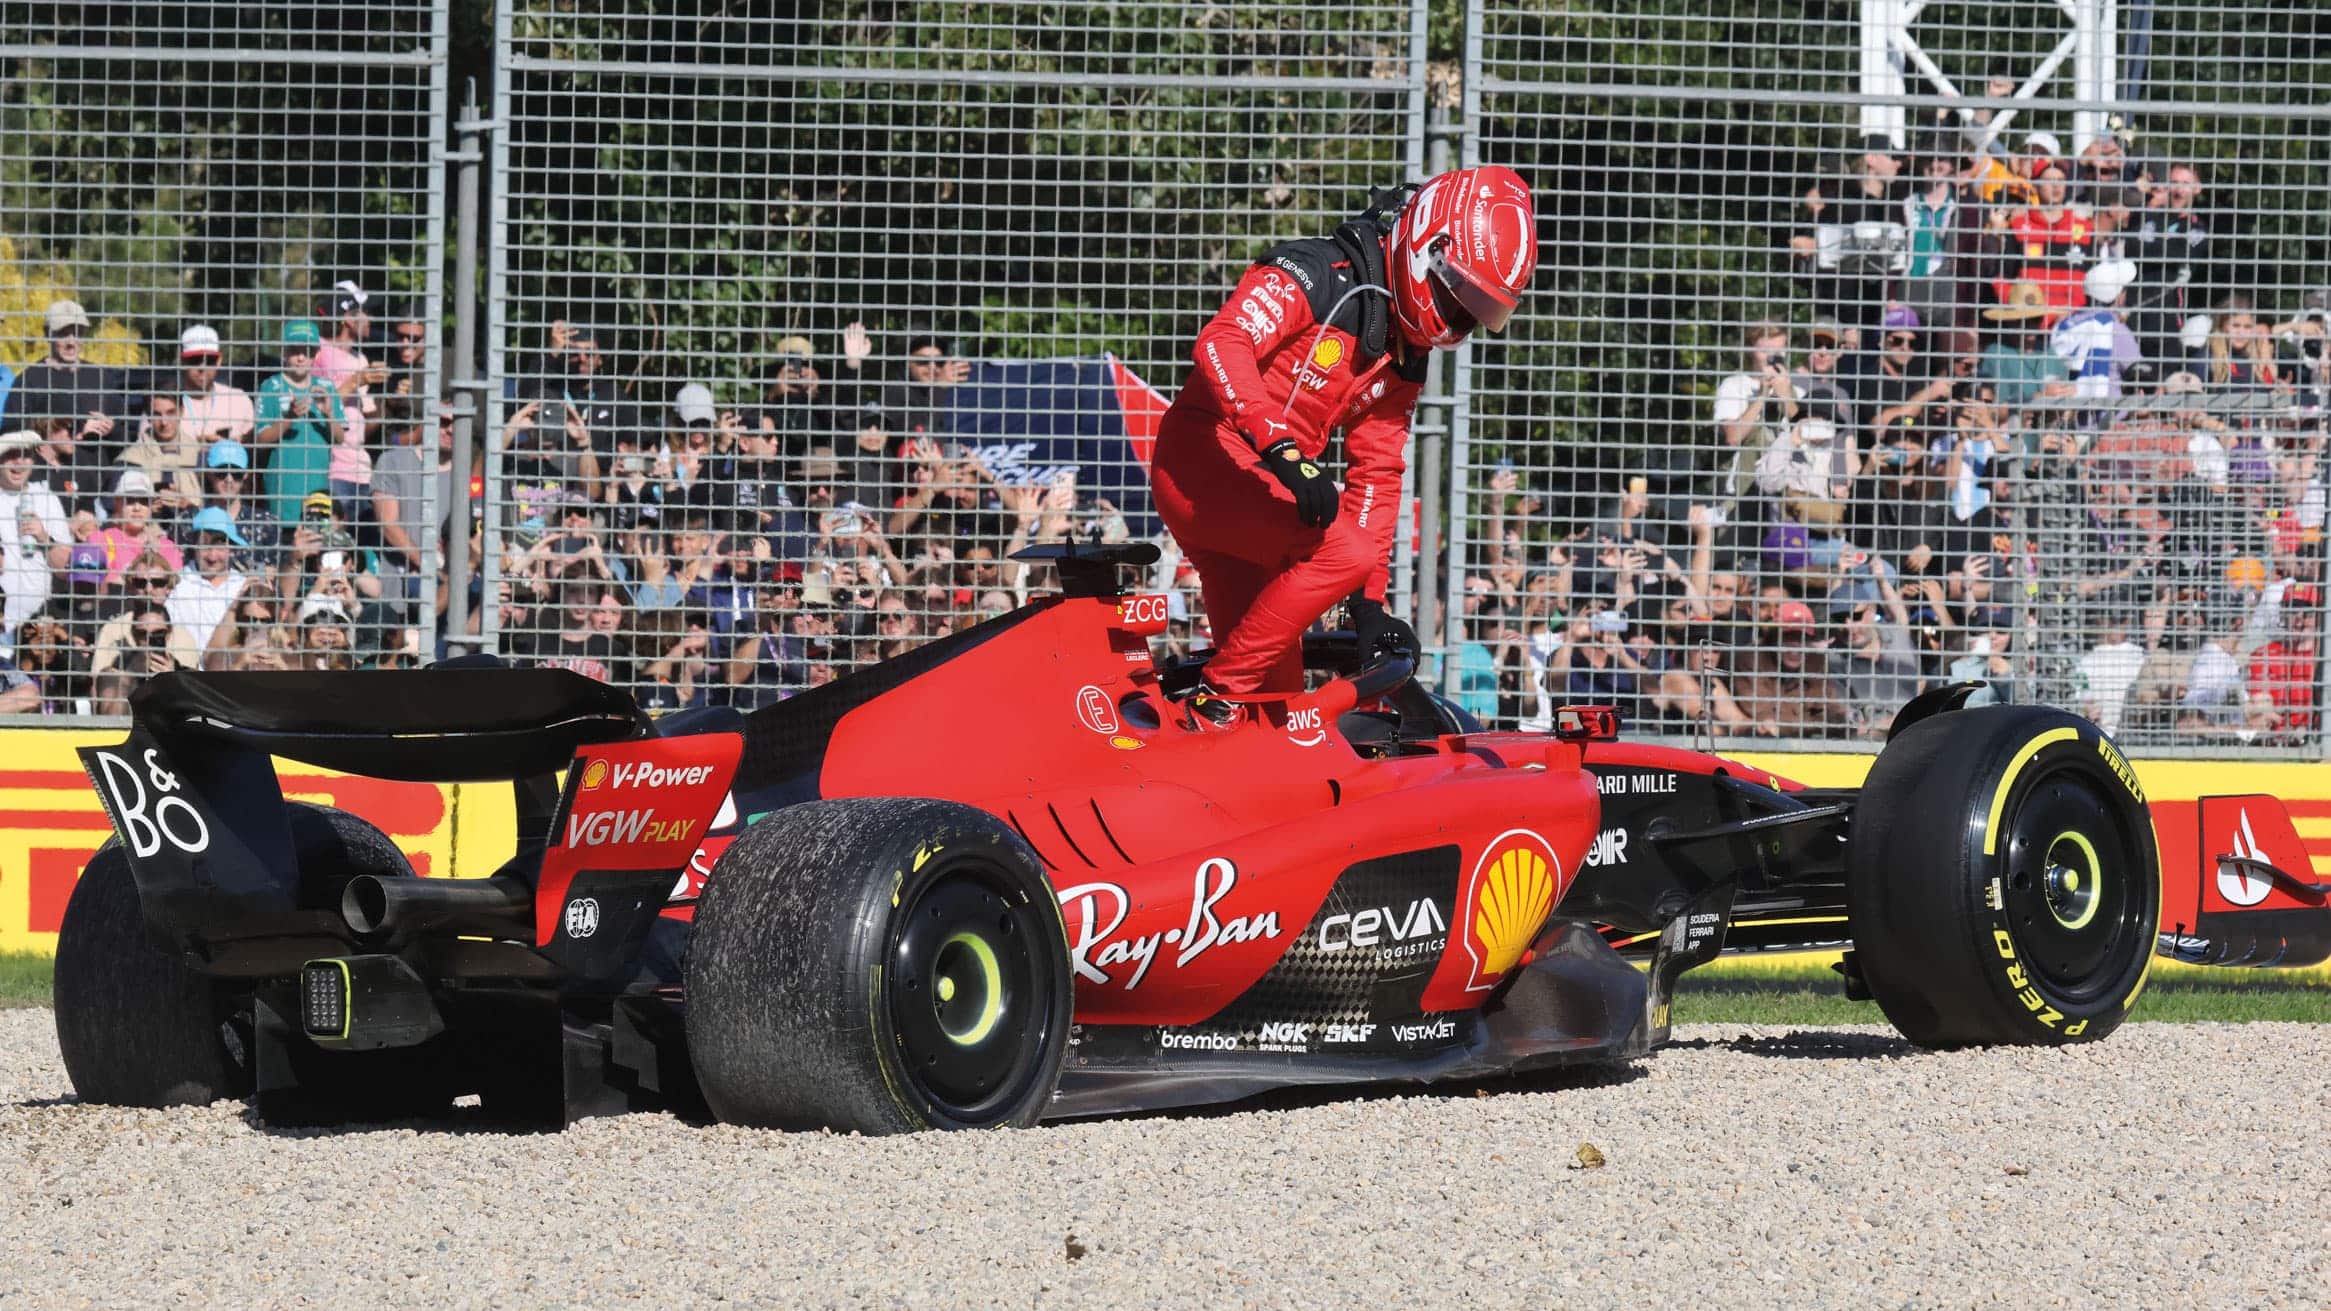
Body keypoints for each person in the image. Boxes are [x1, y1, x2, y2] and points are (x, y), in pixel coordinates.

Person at [1150, 168, 1537, 726]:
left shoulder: (1404, 346)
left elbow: (1377, 473)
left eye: (1482, 309)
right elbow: (1221, 341)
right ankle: (1215, 694)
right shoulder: (1318, 273)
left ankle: (1204, 732)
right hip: (1204, 458)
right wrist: (1280, 446)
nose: (1463, 319)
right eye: (1464, 297)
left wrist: (1369, 607)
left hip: (1265, 496)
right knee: (1343, 553)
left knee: (1273, 714)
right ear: (1431, 246)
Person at [253, 320, 345, 521]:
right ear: (284, 352)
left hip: (318, 491)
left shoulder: (326, 387)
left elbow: (340, 438)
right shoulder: (271, 386)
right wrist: (289, 419)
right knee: (285, 545)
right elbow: (259, 439)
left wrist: (328, 414)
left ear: (316, 354)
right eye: (295, 350)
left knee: (317, 542)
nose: (302, 357)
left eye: (308, 351)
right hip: (282, 493)